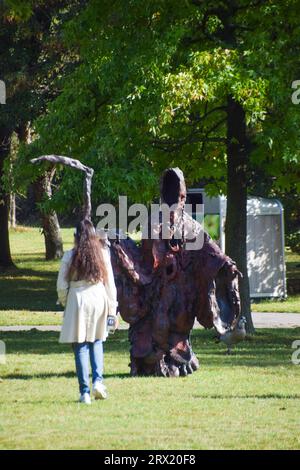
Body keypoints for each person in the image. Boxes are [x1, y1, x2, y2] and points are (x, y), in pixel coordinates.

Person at [57, 219, 118, 405]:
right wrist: (112, 308)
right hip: (99, 297)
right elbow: (111, 285)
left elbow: (61, 285)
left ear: (76, 236)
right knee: (97, 340)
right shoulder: (103, 254)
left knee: (80, 346)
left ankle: (84, 392)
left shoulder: (70, 256)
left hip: (78, 298)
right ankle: (98, 381)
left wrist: (67, 302)